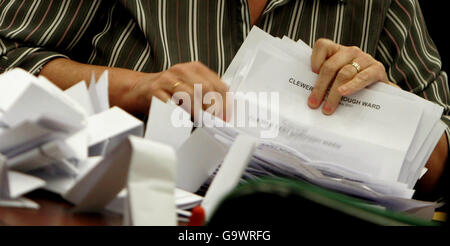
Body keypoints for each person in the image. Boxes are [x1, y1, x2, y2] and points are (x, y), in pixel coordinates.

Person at [0, 0, 448, 201]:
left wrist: (388, 106)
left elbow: (439, 161)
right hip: (128, 203)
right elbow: (10, 56)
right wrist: (138, 88)